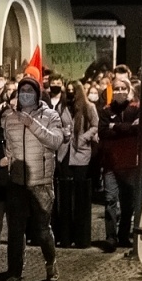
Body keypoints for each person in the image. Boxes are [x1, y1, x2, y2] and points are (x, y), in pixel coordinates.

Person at [0, 74, 64, 281]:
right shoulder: (10, 118)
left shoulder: (51, 115)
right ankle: (15, 275)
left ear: (37, 94)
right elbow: (9, 146)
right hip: (17, 182)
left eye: (30, 91)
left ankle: (50, 262)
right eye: (22, 91)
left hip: (41, 182)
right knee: (16, 231)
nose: (25, 95)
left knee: (42, 230)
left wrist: (32, 124)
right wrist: (8, 161)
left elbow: (56, 141)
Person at [99, 73, 142, 250]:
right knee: (110, 199)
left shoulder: (135, 109)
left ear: (128, 90)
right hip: (110, 163)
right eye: (116, 88)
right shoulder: (106, 111)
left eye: (123, 88)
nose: (120, 91)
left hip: (129, 163)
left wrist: (116, 127)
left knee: (127, 202)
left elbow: (138, 130)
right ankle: (111, 237)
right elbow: (103, 132)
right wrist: (127, 128)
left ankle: (123, 235)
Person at [60, 84, 99, 249]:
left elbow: (95, 125)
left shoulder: (89, 107)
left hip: (80, 152)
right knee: (65, 195)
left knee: (80, 194)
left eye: (73, 90)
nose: (70, 93)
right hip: (64, 152)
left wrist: (83, 138)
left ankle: (80, 235)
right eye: (68, 90)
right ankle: (65, 235)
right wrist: (62, 132)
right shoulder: (62, 106)